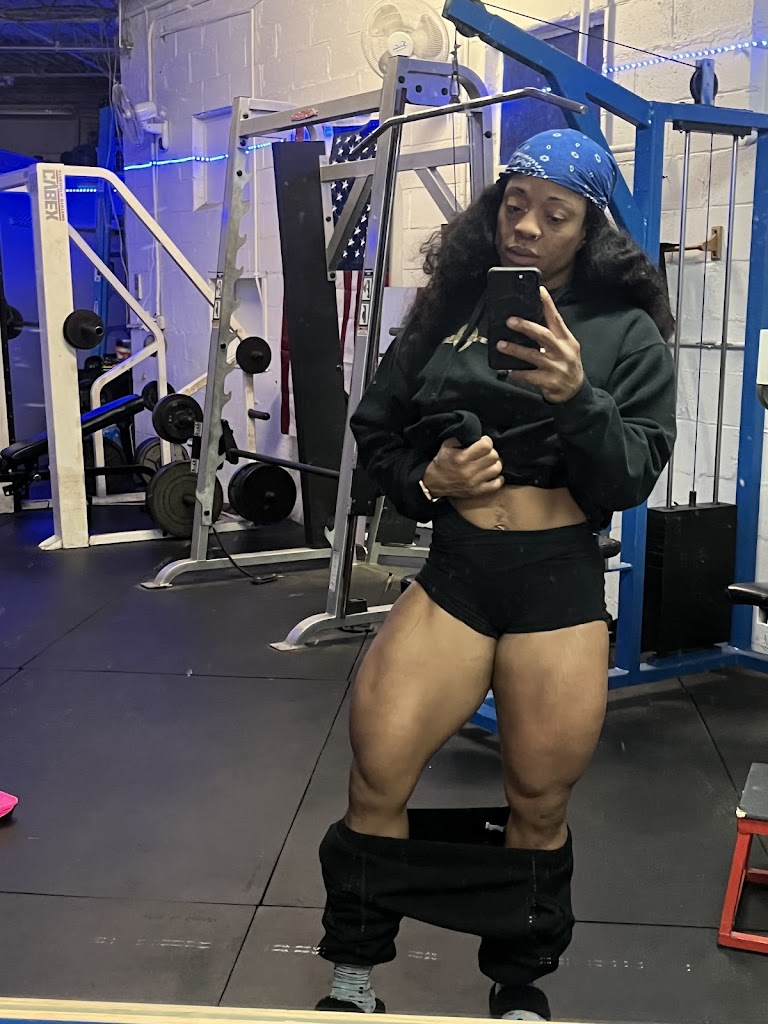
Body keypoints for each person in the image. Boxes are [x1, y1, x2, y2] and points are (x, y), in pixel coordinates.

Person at [315, 128, 677, 1021]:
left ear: (591, 230)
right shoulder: (451, 309)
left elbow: (629, 477)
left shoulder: (626, 334)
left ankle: (519, 987)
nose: (526, 226)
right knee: (377, 773)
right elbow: (377, 428)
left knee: (539, 801)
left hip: (556, 581)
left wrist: (578, 397)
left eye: (555, 215)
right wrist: (428, 481)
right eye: (515, 205)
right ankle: (354, 976)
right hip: (458, 571)